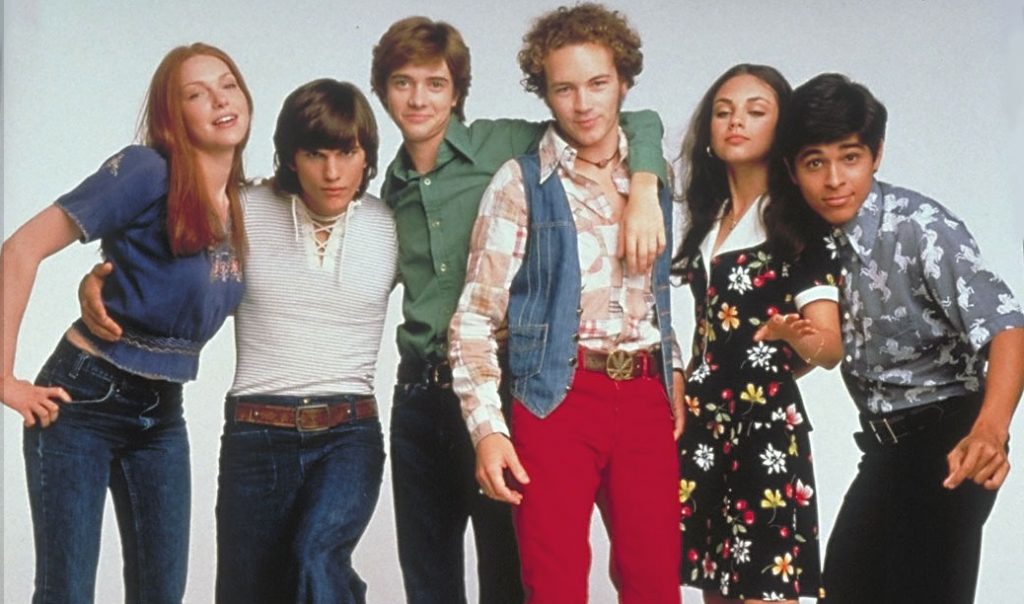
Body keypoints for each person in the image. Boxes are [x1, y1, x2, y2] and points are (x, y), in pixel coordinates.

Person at [370, 15, 670, 603]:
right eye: (403, 83)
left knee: (522, 580)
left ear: (458, 90)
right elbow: (467, 316)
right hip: (445, 393)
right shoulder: (394, 190)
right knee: (438, 579)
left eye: (435, 83)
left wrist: (645, 184)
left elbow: (633, 122)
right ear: (382, 92)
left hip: (525, 380)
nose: (419, 99)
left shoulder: (506, 144)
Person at [80, 79, 397, 604]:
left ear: (367, 156)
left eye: (347, 153)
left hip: (349, 433)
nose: (333, 173)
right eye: (315, 155)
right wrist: (96, 284)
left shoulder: (391, 225)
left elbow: (448, 289)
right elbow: (164, 267)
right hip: (256, 433)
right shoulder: (241, 210)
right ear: (291, 157)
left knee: (317, 558)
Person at [1, 43, 252, 603]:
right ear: (173, 116)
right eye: (197, 94)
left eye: (228, 84)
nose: (219, 100)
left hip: (161, 413)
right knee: (66, 593)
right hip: (83, 401)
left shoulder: (243, 205)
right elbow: (19, 249)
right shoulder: (147, 170)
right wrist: (3, 378)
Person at [448, 4, 683, 603]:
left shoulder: (654, 178)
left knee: (656, 584)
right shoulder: (520, 181)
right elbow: (474, 318)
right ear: (545, 94)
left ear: (623, 82)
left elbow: (661, 296)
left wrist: (673, 370)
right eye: (564, 89)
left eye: (598, 83)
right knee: (553, 585)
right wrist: (487, 431)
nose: (583, 104)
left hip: (644, 398)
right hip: (556, 395)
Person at [778, 73, 1024, 604]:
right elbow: (822, 345)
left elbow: (1007, 326)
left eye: (850, 157)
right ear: (792, 171)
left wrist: (990, 431)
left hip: (952, 435)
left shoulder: (920, 226)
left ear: (877, 154)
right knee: (843, 589)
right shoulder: (807, 243)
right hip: (884, 449)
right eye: (815, 163)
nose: (834, 179)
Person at [671, 64, 843, 604]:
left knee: (766, 589)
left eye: (755, 110)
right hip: (703, 424)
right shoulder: (708, 219)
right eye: (723, 111)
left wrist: (792, 337)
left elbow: (830, 348)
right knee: (715, 588)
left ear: (781, 126)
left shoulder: (797, 223)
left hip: (763, 430)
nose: (735, 122)